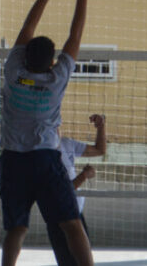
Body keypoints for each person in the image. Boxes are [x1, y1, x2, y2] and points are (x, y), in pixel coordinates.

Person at [0, 0, 97, 266]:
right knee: (72, 224)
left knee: (17, 229)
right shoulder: (56, 79)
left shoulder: (13, 72)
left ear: (23, 56)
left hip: (13, 159)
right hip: (45, 159)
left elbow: (26, 30)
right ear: (52, 62)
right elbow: (75, 37)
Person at [47, 113, 106, 266]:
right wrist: (84, 175)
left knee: (82, 259)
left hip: (76, 213)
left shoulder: (66, 144)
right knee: (70, 260)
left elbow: (100, 150)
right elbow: (62, 192)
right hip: (61, 217)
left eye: (57, 125)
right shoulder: (43, 155)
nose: (57, 129)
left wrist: (101, 127)